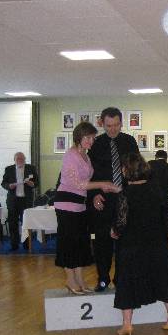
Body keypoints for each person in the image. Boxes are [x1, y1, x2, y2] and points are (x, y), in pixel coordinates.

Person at [111, 153, 168, 335]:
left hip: (132, 244)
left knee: (127, 282)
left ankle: (127, 324)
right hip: (156, 241)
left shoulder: (125, 193)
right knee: (163, 278)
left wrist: (114, 231)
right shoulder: (156, 190)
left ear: (126, 171)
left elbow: (121, 222)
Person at [55, 122, 120, 295]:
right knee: (69, 242)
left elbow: (86, 182)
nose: (91, 141)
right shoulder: (71, 155)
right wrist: (103, 184)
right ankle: (70, 280)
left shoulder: (85, 155)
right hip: (66, 203)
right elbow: (76, 183)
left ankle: (80, 280)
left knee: (80, 242)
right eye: (87, 138)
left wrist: (99, 189)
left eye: (93, 138)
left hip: (80, 204)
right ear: (79, 137)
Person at [88, 107, 139, 292]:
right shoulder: (96, 144)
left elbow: (136, 170)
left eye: (116, 125)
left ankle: (121, 278)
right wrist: (94, 194)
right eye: (109, 126)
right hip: (103, 199)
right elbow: (89, 174)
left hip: (125, 198)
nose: (113, 129)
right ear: (102, 124)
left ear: (121, 123)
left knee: (125, 241)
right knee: (102, 241)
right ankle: (103, 278)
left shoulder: (129, 141)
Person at [1, 152, 38, 250]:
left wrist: (32, 184)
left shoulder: (31, 168)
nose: (20, 160)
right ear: (14, 160)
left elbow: (36, 182)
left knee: (26, 223)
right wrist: (9, 186)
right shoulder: (9, 169)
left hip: (26, 200)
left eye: (22, 158)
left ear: (25, 159)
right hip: (13, 200)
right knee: (13, 223)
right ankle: (14, 244)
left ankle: (27, 244)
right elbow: (3, 183)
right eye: (18, 159)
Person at [149, 149, 168, 241]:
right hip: (165, 202)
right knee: (164, 224)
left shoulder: (149, 165)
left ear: (156, 157)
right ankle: (165, 245)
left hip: (151, 201)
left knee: (151, 225)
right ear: (166, 158)